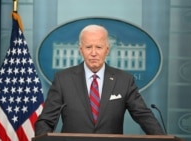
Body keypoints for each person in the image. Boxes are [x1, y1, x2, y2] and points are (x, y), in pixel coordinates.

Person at [34, 24, 165, 135]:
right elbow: (46, 121)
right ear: (81, 50)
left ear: (107, 50)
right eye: (88, 47)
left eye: (99, 47)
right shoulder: (63, 79)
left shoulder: (124, 80)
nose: (93, 53)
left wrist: (161, 138)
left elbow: (143, 116)